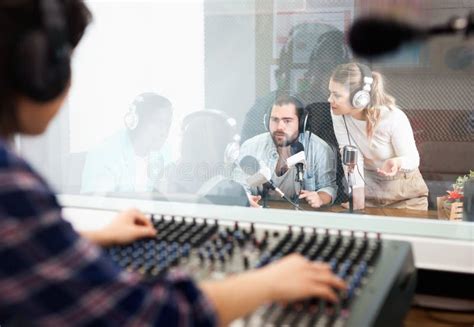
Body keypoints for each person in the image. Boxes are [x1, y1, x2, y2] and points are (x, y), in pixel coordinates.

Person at [0, 1, 346, 326]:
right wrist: (268, 282)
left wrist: (91, 238)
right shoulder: (13, 185)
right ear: (37, 72)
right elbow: (145, 313)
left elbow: (19, 256)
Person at [328, 62, 429, 210]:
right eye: (330, 92)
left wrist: (398, 162)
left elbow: (413, 160)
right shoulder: (339, 113)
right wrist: (358, 202)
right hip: (370, 192)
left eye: (336, 95)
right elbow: (351, 156)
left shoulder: (393, 117)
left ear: (360, 98)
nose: (330, 99)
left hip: (405, 195)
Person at [233, 94, 338, 208]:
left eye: (287, 121)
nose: (279, 127)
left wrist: (320, 198)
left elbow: (328, 187)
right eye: (275, 120)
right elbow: (239, 184)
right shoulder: (251, 146)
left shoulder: (320, 149)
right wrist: (245, 197)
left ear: (302, 123)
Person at [80, 92, 173, 194]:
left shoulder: (163, 153)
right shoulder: (105, 154)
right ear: (136, 121)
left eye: (167, 124)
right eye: (157, 122)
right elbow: (98, 204)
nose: (164, 132)